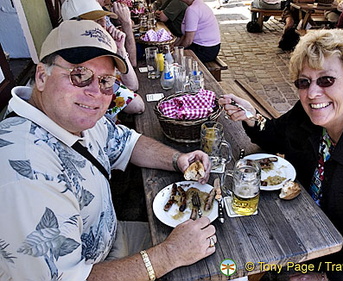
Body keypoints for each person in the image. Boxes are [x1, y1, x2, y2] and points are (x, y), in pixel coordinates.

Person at [0, 20, 216, 280]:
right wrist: (169, 255)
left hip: (111, 242)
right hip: (97, 268)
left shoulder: (73, 117)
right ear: (42, 76)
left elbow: (127, 143)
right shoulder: (24, 171)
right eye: (79, 75)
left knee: (216, 247)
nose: (95, 92)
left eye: (106, 81)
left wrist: (178, 159)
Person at [219, 29, 343, 280]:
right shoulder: (310, 116)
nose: (312, 93)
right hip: (308, 238)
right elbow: (274, 135)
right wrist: (250, 117)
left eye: (326, 80)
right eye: (304, 82)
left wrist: (323, 277)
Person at [61, 0, 145, 122]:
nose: (103, 26)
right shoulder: (84, 61)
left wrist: (120, 49)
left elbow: (132, 85)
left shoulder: (95, 51)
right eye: (95, 22)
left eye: (103, 20)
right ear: (74, 26)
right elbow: (137, 106)